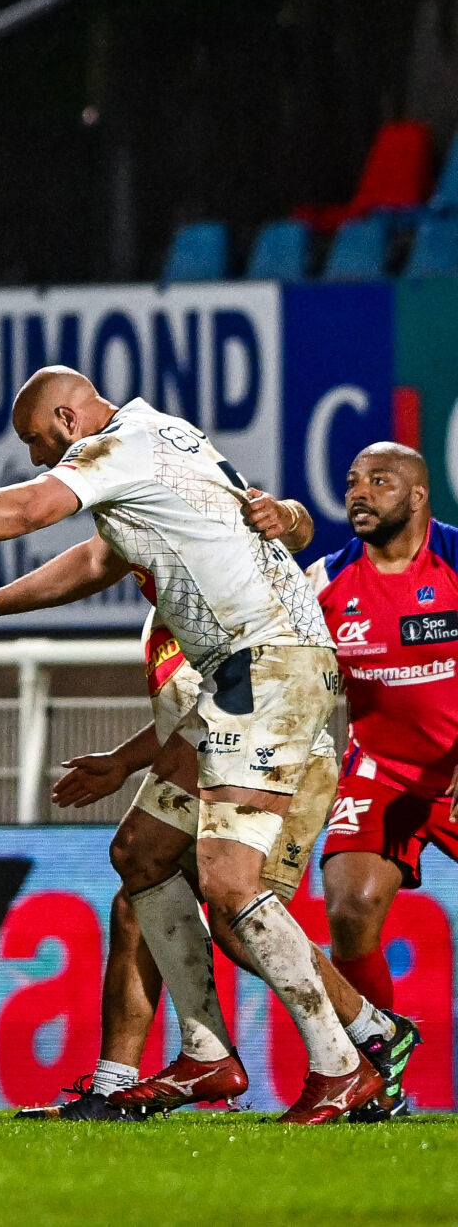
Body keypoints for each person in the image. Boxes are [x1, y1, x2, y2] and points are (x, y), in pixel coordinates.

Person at [0, 365, 381, 1121]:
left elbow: (30, 507)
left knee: (229, 886)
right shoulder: (158, 438)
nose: (35, 457)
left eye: (35, 440)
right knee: (141, 853)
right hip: (240, 672)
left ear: (66, 417)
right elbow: (98, 558)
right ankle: (208, 1053)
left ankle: (345, 1059)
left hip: (269, 664)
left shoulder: (121, 444)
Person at [0, 527, 415, 1121]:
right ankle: (123, 1084)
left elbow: (240, 691)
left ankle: (369, 1033)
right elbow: (194, 715)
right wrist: (122, 762)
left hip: (285, 760)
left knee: (233, 915)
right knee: (139, 882)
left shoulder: (218, 590)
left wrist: (287, 512)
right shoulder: (168, 605)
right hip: (212, 750)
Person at [309, 441, 454, 1106]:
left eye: (379, 481)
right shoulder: (325, 582)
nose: (359, 493)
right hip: (381, 769)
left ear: (419, 496)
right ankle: (377, 1077)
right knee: (349, 906)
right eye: (352, 481)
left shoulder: (454, 560)